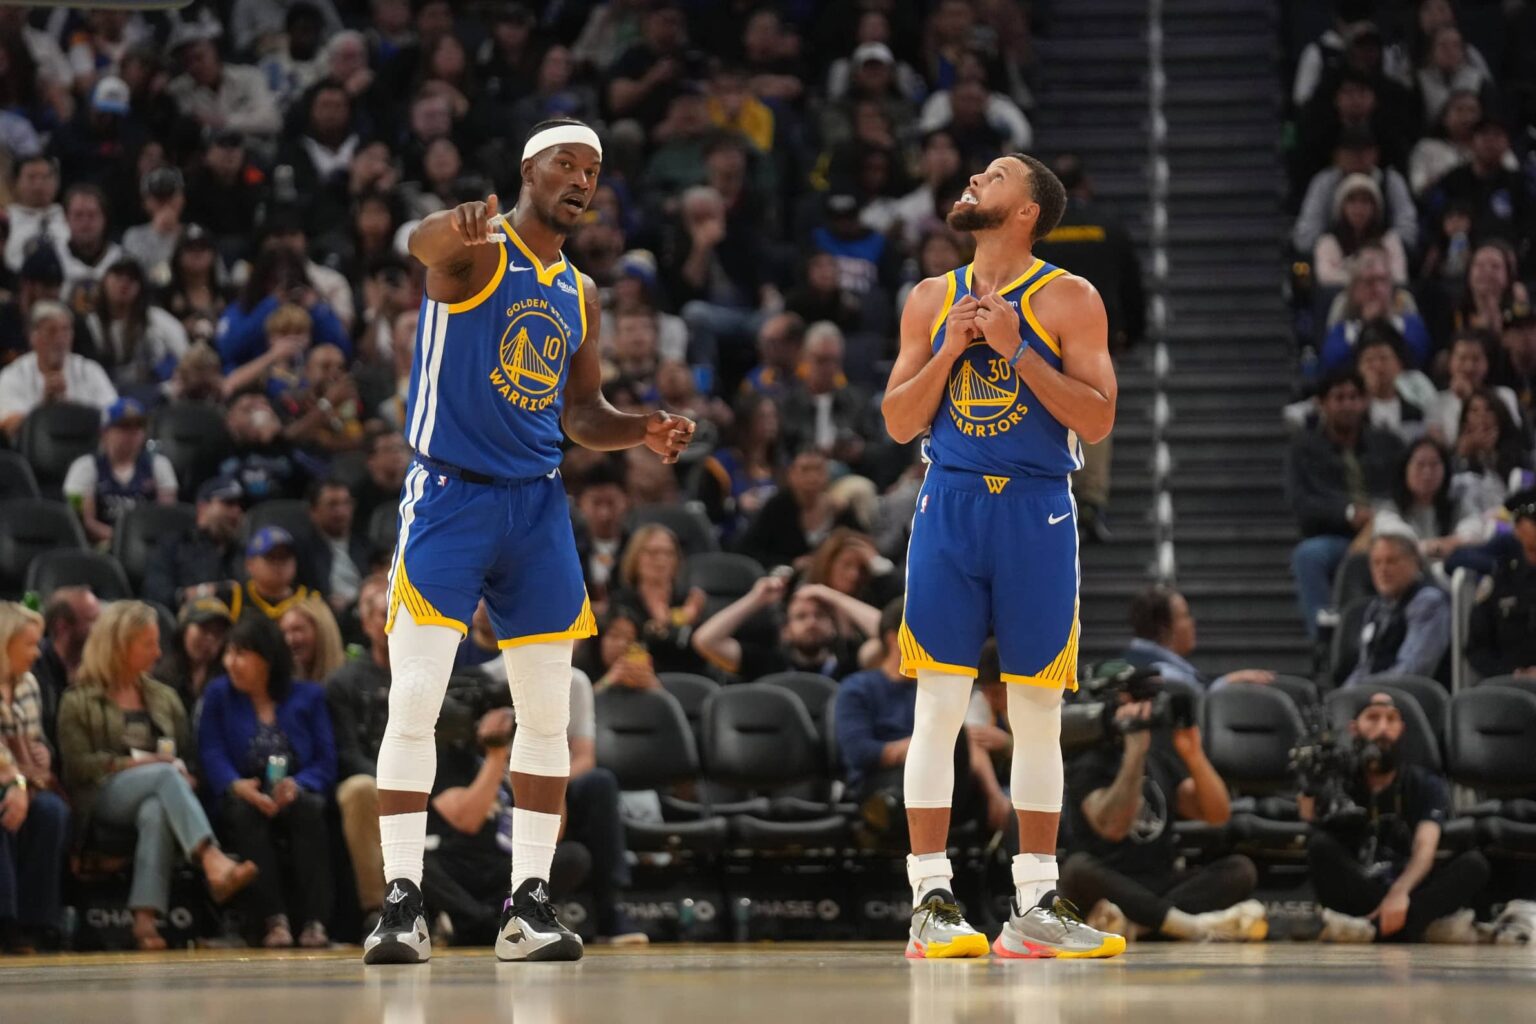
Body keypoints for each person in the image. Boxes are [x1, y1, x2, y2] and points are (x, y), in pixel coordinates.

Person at [364, 117, 694, 966]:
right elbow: (417, 241)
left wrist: (642, 429)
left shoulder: (579, 292)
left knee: (548, 715)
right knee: (417, 700)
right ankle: (400, 901)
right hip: (448, 497)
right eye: (566, 164)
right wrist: (450, 224)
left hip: (538, 506)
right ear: (527, 170)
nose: (581, 179)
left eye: (592, 170)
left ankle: (531, 903)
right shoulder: (475, 250)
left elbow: (581, 415)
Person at [878, 152, 1121, 959]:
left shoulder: (1069, 298)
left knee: (1038, 711)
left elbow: (1096, 418)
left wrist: (1018, 351)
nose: (976, 178)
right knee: (940, 707)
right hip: (948, 503)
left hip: (1037, 511)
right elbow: (897, 420)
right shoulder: (929, 298)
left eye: (996, 174)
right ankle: (931, 899)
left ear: (1027, 210)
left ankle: (1037, 903)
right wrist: (951, 352)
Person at [56, 601, 258, 950]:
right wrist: (139, 766)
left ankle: (145, 920)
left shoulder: (164, 697)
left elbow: (187, 757)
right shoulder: (78, 700)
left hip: (161, 794)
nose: (158, 651)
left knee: (156, 807)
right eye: (148, 643)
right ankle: (212, 859)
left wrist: (186, 776)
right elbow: (78, 766)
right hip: (100, 799)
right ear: (119, 645)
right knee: (163, 777)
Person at [1059, 679, 1267, 944]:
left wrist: (1193, 753)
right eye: (1131, 702)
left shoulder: (1159, 757)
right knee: (1076, 870)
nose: (1143, 710)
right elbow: (1114, 827)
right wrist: (1134, 753)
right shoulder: (1087, 761)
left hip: (1158, 881)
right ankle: (1191, 926)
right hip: (1110, 883)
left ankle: (1142, 925)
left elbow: (1217, 814)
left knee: (1240, 869)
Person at [1302, 693, 1489, 943]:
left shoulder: (1426, 783)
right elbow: (1308, 817)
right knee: (1319, 847)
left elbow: (1425, 847)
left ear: (1401, 729)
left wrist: (1399, 892)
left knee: (1475, 864)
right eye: (1373, 718)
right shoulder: (1339, 778)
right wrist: (1310, 784)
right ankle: (1409, 927)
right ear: (1354, 728)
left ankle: (1373, 929)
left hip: (1409, 887)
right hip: (1360, 885)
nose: (1383, 728)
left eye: (1391, 720)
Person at [199, 615, 336, 949]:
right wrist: (236, 784)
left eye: (242, 654)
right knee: (245, 813)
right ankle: (273, 920)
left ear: (268, 657)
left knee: (310, 810)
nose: (231, 662)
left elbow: (325, 759)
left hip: (293, 792)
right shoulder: (218, 695)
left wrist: (298, 784)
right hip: (243, 791)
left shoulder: (309, 696)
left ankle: (315, 922)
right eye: (229, 653)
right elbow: (210, 751)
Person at [835, 600, 1012, 840]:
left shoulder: (936, 688)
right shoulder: (858, 688)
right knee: (946, 744)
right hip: (883, 781)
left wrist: (993, 794)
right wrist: (920, 746)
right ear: (893, 638)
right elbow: (860, 752)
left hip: (946, 779)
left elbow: (966, 744)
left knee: (1012, 805)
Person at [1288, 369, 1404, 639]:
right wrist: (1348, 513)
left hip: (1389, 530)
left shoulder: (1388, 443)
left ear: (1364, 402)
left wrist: (1380, 514)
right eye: (1339, 398)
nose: (1348, 405)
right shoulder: (1304, 449)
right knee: (1308, 555)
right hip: (1337, 536)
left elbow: (1405, 487)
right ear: (1322, 403)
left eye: (1354, 397)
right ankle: (1325, 637)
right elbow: (1302, 503)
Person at [0, 601, 70, 954]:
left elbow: (36, 739)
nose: (38, 652)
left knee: (51, 812)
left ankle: (36, 921)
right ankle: (5, 922)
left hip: (23, 778)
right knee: (5, 811)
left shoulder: (28, 684)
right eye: (29, 644)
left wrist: (44, 753)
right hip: (5, 779)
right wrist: (14, 783)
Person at [327, 575, 392, 928]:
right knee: (361, 789)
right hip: (368, 780)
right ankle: (377, 908)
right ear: (366, 622)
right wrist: (391, 782)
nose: (389, 622)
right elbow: (346, 751)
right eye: (382, 614)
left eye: (396, 613)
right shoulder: (344, 681)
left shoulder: (425, 673)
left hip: (423, 777)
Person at [692, 576, 864, 682]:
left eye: (819, 615)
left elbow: (889, 636)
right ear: (786, 631)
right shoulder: (768, 663)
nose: (811, 622)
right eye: (801, 616)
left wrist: (835, 597)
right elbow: (704, 640)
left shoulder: (848, 666)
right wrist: (756, 598)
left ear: (833, 626)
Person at [1341, 533, 1452, 688]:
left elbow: (1412, 672)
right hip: (1377, 695)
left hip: (1415, 702)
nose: (1383, 570)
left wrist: (1362, 690)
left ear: (1414, 562)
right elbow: (1365, 666)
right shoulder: (1376, 608)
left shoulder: (1429, 602)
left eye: (1391, 561)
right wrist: (1342, 697)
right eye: (1376, 563)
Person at [63, 398, 178, 546]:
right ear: (105, 433)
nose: (133, 434)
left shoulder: (160, 465)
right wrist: (122, 539)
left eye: (139, 427)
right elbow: (83, 521)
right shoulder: (84, 467)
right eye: (124, 427)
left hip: (148, 545)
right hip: (100, 546)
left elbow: (166, 517)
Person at [0, 300, 118, 440]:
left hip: (85, 450)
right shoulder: (14, 374)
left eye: (66, 330)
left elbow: (115, 416)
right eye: (52, 331)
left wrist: (69, 408)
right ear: (33, 336)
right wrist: (44, 406)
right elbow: (8, 427)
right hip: (31, 458)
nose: (60, 339)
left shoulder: (89, 371)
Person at [1122, 586, 1276, 690]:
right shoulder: (1160, 671)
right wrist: (1231, 681)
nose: (1192, 623)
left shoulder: (1137, 657)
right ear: (1164, 629)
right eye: (1185, 616)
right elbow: (1196, 704)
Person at [605, 525, 709, 675]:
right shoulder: (623, 602)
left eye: (669, 554)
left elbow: (700, 653)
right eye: (653, 553)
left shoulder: (689, 599)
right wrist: (677, 622)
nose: (661, 560)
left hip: (688, 678)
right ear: (635, 557)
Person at [143, 476, 245, 612]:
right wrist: (203, 593)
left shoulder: (244, 552)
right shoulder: (173, 547)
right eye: (228, 503)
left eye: (239, 504)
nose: (236, 511)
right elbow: (156, 594)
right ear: (203, 507)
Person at [1466, 495, 1536, 678]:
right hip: (1510, 687)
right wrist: (1513, 674)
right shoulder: (1501, 579)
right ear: (1518, 529)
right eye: (1534, 523)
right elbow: (1477, 648)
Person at [294, 478, 371, 613]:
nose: (341, 512)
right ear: (313, 511)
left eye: (346, 503)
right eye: (332, 505)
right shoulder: (302, 550)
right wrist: (326, 602)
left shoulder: (365, 544)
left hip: (366, 610)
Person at [154, 597, 232, 709]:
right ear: (184, 630)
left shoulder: (229, 679)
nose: (210, 638)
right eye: (204, 628)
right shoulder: (162, 678)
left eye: (218, 632)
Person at [231, 526, 316, 623]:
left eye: (284, 557)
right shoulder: (233, 597)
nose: (278, 564)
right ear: (250, 564)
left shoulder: (312, 600)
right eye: (271, 557)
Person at [279, 595, 346, 685]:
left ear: (322, 631)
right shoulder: (283, 687)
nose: (289, 640)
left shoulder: (349, 683)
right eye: (284, 633)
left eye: (297, 630)